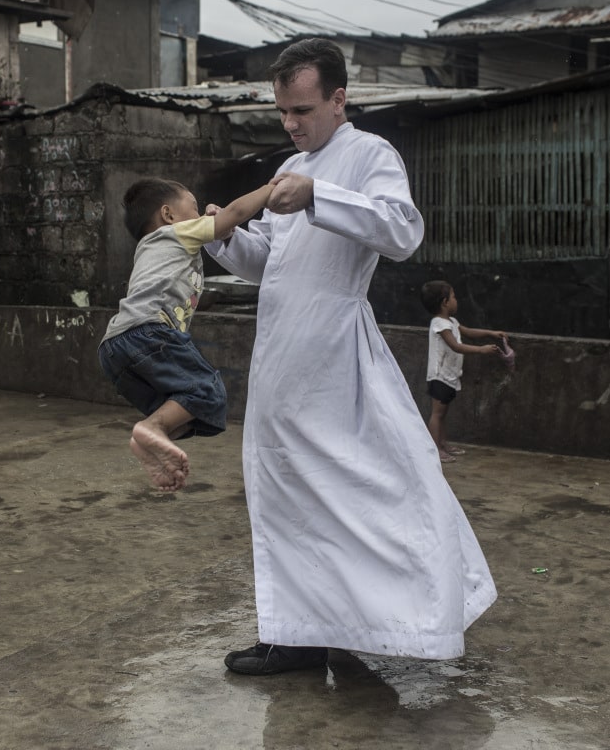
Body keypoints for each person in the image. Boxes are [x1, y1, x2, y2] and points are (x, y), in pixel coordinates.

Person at [204, 38, 497, 675]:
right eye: (283, 111)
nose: (290, 123)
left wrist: (316, 196)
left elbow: (402, 230)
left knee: (358, 493)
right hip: (282, 354)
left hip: (333, 354)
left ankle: (381, 621)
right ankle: (297, 633)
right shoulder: (291, 166)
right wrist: (224, 237)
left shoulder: (368, 154)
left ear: (339, 99)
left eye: (302, 110)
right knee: (285, 495)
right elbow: (274, 264)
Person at [98, 178, 273, 492]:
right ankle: (152, 427)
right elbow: (233, 214)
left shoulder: (149, 248)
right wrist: (269, 188)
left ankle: (152, 440)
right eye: (193, 207)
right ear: (168, 215)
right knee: (207, 391)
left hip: (116, 346)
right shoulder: (177, 233)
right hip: (149, 333)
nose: (199, 215)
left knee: (196, 411)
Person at [420, 280, 507, 463]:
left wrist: (491, 333)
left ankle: (443, 443)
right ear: (445, 302)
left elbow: (469, 332)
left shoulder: (451, 321)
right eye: (453, 297)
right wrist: (481, 350)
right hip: (440, 375)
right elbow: (456, 346)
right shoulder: (439, 323)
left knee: (443, 413)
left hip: (450, 375)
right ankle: (435, 449)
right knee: (437, 414)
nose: (456, 300)